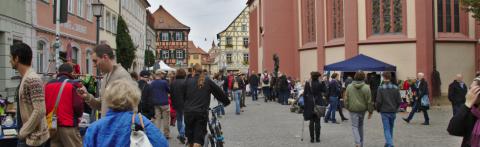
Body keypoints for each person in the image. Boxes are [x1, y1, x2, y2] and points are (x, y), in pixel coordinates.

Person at [83, 80, 168, 147]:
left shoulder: (95, 127)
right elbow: (162, 144)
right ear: (135, 98)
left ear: (108, 98)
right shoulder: (141, 122)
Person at [77, 44, 135, 117]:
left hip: (116, 127)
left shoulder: (122, 76)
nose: (94, 65)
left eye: (95, 61)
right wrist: (87, 96)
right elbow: (102, 105)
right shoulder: (106, 76)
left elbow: (129, 111)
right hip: (107, 126)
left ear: (105, 57)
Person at [10, 42, 50, 146]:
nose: (10, 60)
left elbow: (40, 110)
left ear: (17, 58)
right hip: (30, 137)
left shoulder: (32, 79)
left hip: (33, 139)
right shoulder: (26, 77)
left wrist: (23, 132)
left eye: (11, 57)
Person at [183, 64, 230, 147]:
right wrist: (226, 102)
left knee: (190, 141)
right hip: (201, 113)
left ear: (193, 71)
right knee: (198, 141)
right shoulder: (207, 80)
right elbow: (218, 92)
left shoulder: (187, 81)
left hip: (188, 113)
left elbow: (181, 96)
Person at [44, 64, 84, 147]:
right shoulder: (74, 84)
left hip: (52, 126)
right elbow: (78, 105)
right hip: (68, 125)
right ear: (72, 72)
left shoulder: (48, 85)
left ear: (58, 72)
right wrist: (78, 116)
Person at [447, 77, 480, 147]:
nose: (468, 93)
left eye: (472, 90)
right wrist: (467, 104)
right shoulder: (471, 111)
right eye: (469, 89)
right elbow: (452, 129)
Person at [345, 71, 374, 147]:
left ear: (355, 76)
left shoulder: (349, 86)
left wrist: (347, 106)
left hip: (353, 109)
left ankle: (358, 143)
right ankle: (360, 144)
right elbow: (369, 101)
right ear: (363, 77)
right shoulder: (367, 87)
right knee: (360, 126)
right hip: (362, 109)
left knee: (355, 126)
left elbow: (346, 98)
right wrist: (370, 111)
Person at [376, 72, 402, 147]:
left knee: (386, 129)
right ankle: (388, 143)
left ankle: (390, 144)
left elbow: (379, 101)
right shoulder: (395, 88)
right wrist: (396, 108)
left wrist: (378, 109)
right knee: (391, 128)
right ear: (390, 77)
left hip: (384, 111)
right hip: (393, 110)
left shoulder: (380, 88)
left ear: (383, 77)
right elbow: (399, 101)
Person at [303, 72, 327, 143]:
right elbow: (325, 90)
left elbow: (304, 94)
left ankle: (312, 139)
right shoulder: (320, 83)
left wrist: (305, 104)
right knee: (317, 121)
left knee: (311, 121)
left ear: (311, 76)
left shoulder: (308, 83)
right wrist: (323, 82)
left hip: (310, 104)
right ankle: (318, 138)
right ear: (318, 77)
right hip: (318, 103)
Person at [151, 70, 171, 139]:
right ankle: (166, 134)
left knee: (157, 119)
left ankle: (157, 134)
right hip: (164, 103)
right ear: (160, 75)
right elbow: (169, 90)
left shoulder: (152, 83)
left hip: (156, 103)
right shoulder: (164, 82)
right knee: (166, 119)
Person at [171, 69, 187, 144]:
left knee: (179, 120)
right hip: (185, 104)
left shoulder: (173, 82)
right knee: (186, 120)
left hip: (176, 104)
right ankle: (181, 133)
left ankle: (181, 134)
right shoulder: (185, 82)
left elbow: (171, 94)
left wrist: (173, 104)